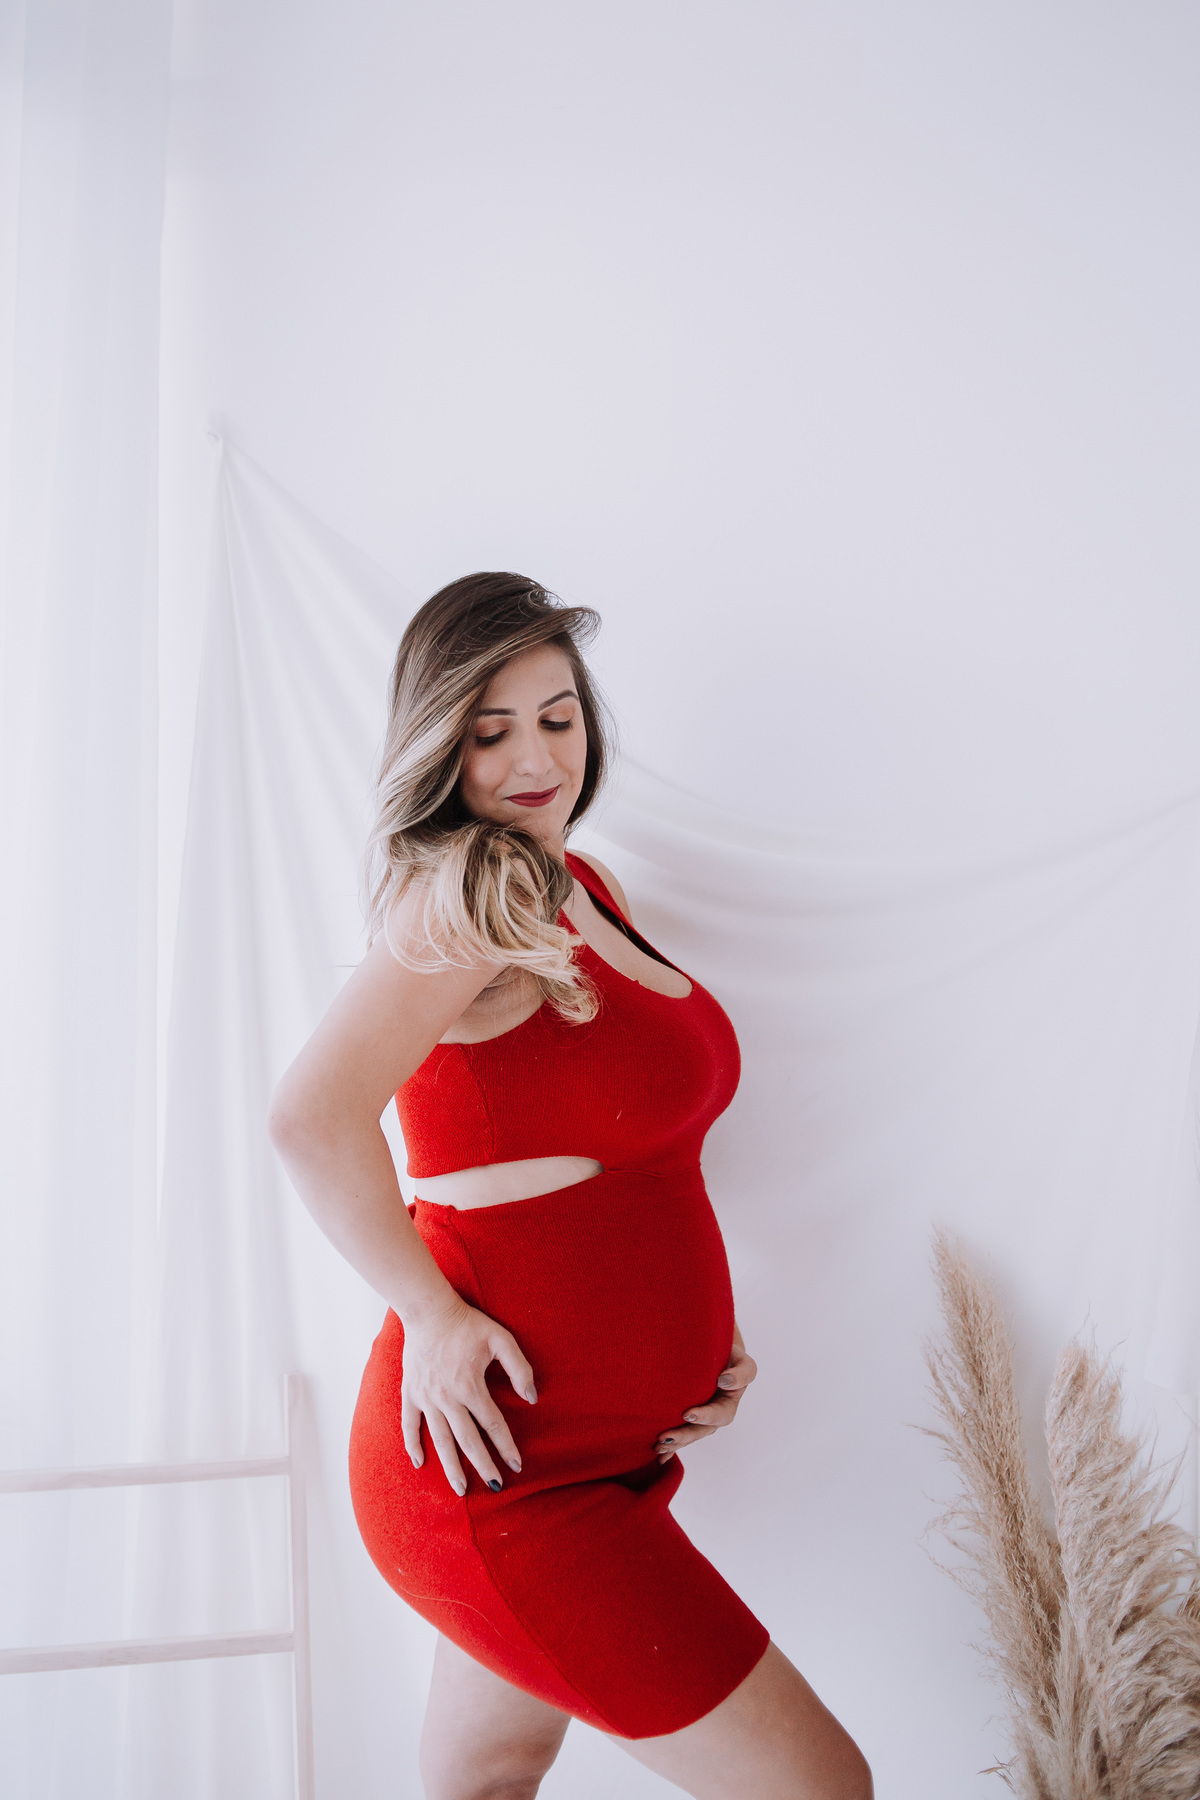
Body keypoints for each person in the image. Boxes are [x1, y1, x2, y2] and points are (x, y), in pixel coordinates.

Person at [269, 574, 872, 1800]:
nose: (536, 759)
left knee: (488, 1775)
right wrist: (431, 1314)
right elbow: (308, 1119)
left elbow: (627, 1166)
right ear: (440, 746)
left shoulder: (582, 886)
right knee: (821, 1788)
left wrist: (693, 1336)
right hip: (505, 1482)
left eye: (558, 718)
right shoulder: (464, 900)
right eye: (490, 733)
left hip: (598, 1460)